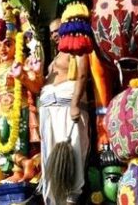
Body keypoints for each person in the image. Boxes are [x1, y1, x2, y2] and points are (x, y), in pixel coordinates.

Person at [39, 19, 90, 205]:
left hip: (68, 109)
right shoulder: (53, 60)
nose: (54, 35)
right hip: (49, 111)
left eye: (57, 30)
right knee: (52, 157)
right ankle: (53, 200)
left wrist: (75, 103)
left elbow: (83, 75)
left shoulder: (77, 49)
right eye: (52, 32)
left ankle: (71, 198)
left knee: (73, 150)